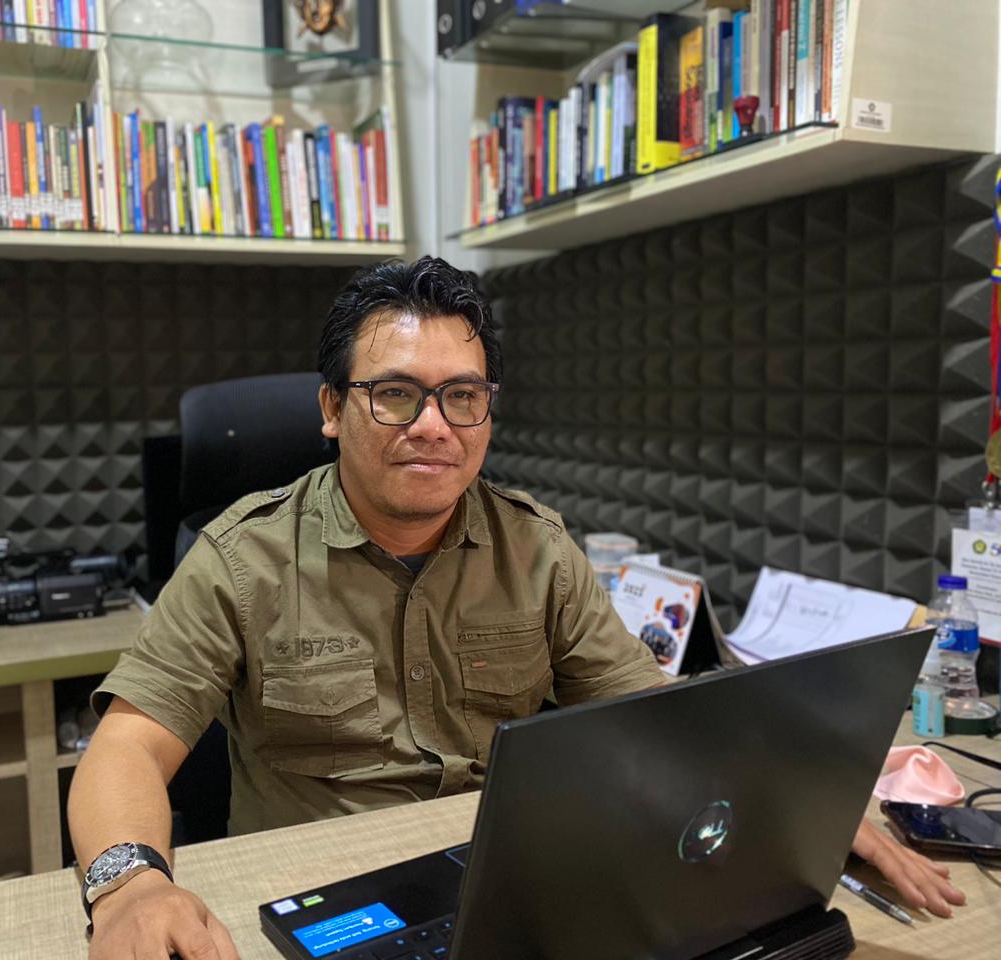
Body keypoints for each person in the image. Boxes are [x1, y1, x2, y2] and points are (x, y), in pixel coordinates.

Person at [68, 257, 963, 960]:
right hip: (317, 907)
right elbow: (126, 747)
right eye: (396, 394)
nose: (434, 425)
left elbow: (655, 717)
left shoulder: (537, 549)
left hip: (501, 891)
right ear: (333, 409)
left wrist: (789, 804)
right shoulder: (241, 556)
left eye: (463, 396)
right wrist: (131, 885)